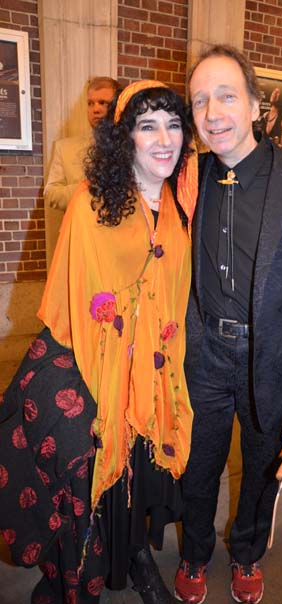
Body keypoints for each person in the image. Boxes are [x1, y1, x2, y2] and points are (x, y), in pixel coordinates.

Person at [0, 80, 197, 604]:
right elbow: (75, 302)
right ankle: (79, 570)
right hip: (88, 359)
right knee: (87, 470)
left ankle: (136, 557)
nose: (163, 139)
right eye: (147, 126)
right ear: (125, 137)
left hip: (151, 366)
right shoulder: (92, 204)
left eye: (173, 125)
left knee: (142, 474)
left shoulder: (178, 209)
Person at [173, 44, 282, 604]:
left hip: (273, 360)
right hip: (202, 357)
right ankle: (194, 553)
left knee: (263, 469)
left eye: (226, 96)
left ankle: (247, 552)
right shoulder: (184, 179)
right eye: (200, 101)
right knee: (197, 468)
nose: (212, 112)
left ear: (255, 106)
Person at [44, 76, 120, 212]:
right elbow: (51, 194)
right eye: (90, 103)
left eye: (103, 103)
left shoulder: (133, 147)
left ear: (117, 107)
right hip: (80, 230)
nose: (95, 109)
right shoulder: (64, 148)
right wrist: (88, 188)